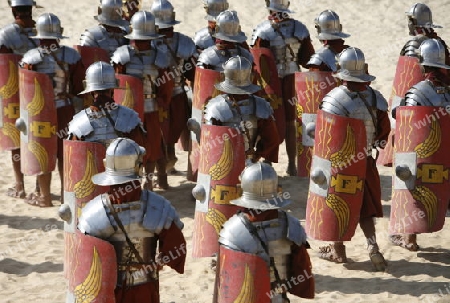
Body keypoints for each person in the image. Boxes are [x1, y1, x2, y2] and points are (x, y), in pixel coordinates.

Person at [78, 137, 186, 302]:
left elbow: (83, 259)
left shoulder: (94, 212)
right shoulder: (157, 206)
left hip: (110, 287)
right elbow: (176, 247)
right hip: (145, 286)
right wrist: (159, 262)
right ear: (139, 167)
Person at [317, 47, 390, 271]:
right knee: (365, 208)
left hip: (340, 166)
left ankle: (338, 251)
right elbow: (383, 134)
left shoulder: (333, 99)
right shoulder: (376, 99)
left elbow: (325, 137)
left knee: (336, 203)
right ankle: (372, 246)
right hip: (365, 161)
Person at [214, 162, 314, 302]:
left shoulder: (233, 230)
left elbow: (228, 274)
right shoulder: (291, 225)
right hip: (279, 297)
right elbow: (301, 267)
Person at [389, 39, 450, 251]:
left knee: (413, 188)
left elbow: (402, 117)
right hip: (447, 153)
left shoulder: (418, 91)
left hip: (423, 154)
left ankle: (409, 239)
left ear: (424, 65)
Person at [19, 12, 85, 207]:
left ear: (39, 35)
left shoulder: (30, 58)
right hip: (65, 111)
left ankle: (45, 197)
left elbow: (25, 92)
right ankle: (66, 197)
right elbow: (79, 87)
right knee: (65, 153)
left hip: (40, 115)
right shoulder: (71, 56)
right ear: (59, 33)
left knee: (42, 151)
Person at [251, 0, 315, 176]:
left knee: (271, 120)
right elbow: (307, 59)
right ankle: (292, 165)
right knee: (290, 122)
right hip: (293, 79)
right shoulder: (299, 29)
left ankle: (269, 161)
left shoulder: (262, 31)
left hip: (271, 83)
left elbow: (257, 63)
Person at [111, 10, 173, 190]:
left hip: (151, 107)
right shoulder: (121, 55)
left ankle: (148, 180)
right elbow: (116, 83)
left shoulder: (160, 57)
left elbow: (165, 86)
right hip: (127, 109)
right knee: (129, 145)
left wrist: (162, 103)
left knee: (152, 147)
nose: (142, 42)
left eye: (145, 39)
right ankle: (129, 180)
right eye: (141, 38)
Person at [204, 55, 279, 164]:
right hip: (250, 166)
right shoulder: (261, 105)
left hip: (222, 165)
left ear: (226, 76)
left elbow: (209, 142)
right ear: (250, 77)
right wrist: (256, 155)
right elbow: (272, 139)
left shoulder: (215, 107)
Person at [150, 0, 196, 176]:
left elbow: (193, 73)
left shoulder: (182, 42)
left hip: (174, 94)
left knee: (172, 129)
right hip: (159, 96)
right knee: (162, 131)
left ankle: (169, 162)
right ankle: (165, 164)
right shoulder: (149, 44)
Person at [0, 0, 39, 199]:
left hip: (15, 94)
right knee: (39, 135)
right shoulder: (43, 29)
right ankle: (40, 186)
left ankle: (20, 184)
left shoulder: (6, 34)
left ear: (13, 10)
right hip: (38, 92)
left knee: (16, 137)